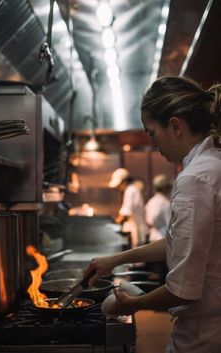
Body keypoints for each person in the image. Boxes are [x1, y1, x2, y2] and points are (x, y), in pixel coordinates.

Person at [84, 75, 221, 353]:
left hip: (205, 333)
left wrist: (134, 304)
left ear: (175, 126)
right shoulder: (212, 164)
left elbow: (183, 289)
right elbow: (180, 241)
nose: (152, 143)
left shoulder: (196, 179)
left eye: (151, 132)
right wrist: (117, 259)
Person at [108, 168, 148, 247]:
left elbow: (125, 213)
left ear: (125, 181)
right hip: (136, 227)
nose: (118, 187)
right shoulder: (132, 189)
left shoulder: (130, 191)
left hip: (136, 229)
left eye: (119, 184)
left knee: (137, 254)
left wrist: (114, 225)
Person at [145, 174, 172, 242]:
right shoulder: (165, 203)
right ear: (164, 188)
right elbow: (169, 224)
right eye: (168, 187)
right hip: (162, 238)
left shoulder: (151, 201)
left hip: (152, 236)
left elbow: (149, 221)